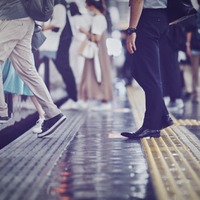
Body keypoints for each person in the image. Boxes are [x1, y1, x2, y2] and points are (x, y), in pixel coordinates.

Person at [0, 0, 66, 138]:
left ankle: (1, 110)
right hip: (26, 21)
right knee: (27, 71)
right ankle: (53, 113)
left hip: (12, 19)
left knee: (27, 70)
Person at [121, 0, 173, 139]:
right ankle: (162, 115)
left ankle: (152, 126)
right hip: (160, 19)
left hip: (148, 19)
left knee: (149, 74)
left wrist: (131, 29)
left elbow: (138, 0)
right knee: (139, 70)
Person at [78, 0, 113, 110]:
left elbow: (96, 38)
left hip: (97, 52)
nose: (86, 8)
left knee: (99, 73)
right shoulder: (100, 17)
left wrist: (85, 32)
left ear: (91, 6)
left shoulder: (98, 18)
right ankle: (101, 99)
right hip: (99, 51)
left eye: (87, 6)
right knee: (99, 73)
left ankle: (104, 100)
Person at [2, 59, 45, 133]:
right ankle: (44, 115)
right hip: (14, 54)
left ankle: (44, 116)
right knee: (29, 80)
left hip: (12, 53)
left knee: (29, 79)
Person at [186, 0, 200, 103]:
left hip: (194, 47)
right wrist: (188, 45)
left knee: (195, 72)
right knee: (194, 72)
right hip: (195, 47)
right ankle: (196, 94)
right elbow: (189, 31)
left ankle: (196, 93)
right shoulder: (195, 14)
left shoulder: (195, 14)